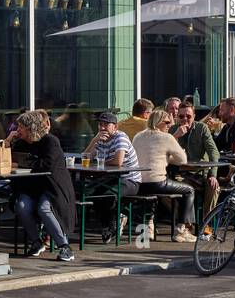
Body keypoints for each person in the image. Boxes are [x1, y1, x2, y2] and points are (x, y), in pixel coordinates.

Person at [5, 110, 76, 262]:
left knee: (44, 208)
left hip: (52, 187)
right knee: (22, 206)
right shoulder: (20, 143)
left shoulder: (50, 141)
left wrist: (24, 163)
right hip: (30, 187)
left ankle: (64, 246)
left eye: (21, 127)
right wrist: (7, 142)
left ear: (32, 128)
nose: (17, 130)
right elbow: (6, 159)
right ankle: (36, 242)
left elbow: (47, 165)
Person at [132, 109, 197, 242]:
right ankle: (181, 230)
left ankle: (149, 227)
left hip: (138, 183)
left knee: (151, 194)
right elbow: (182, 160)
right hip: (157, 182)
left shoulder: (138, 136)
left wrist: (164, 156)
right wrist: (167, 157)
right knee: (189, 190)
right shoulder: (167, 137)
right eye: (167, 122)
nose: (169, 125)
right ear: (157, 122)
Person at [83, 111, 140, 241]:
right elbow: (85, 157)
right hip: (109, 178)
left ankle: (114, 221)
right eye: (100, 124)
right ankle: (108, 224)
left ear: (115, 127)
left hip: (129, 179)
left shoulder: (120, 137)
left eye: (106, 125)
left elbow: (118, 162)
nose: (102, 128)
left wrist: (99, 163)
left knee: (108, 195)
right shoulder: (100, 139)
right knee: (91, 193)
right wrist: (95, 140)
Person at [174, 103, 220, 222]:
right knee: (168, 192)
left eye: (188, 116)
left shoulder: (201, 128)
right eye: (181, 116)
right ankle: (187, 222)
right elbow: (164, 151)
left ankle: (206, 222)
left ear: (194, 116)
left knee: (213, 186)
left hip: (200, 172)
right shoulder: (173, 129)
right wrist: (176, 136)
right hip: (181, 174)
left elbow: (214, 152)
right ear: (177, 117)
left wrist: (213, 175)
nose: (185, 119)